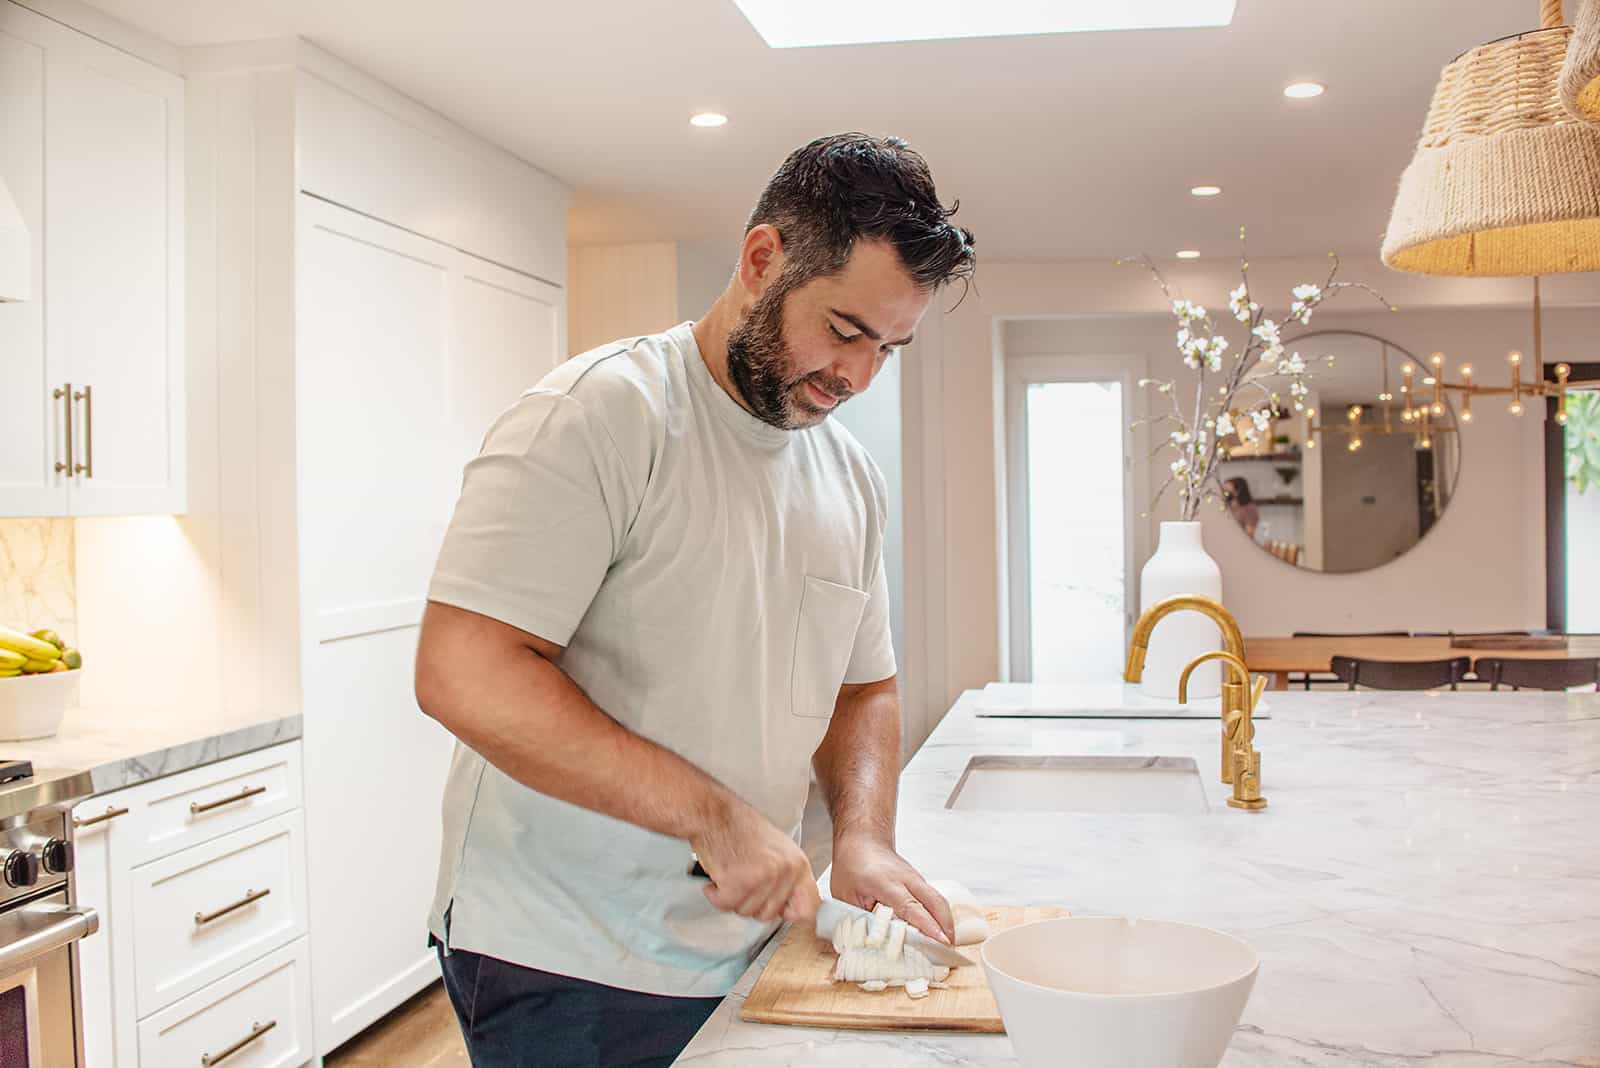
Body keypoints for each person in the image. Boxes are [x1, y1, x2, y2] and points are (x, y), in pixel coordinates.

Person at [413, 132, 976, 1068]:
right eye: (843, 331)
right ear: (763, 260)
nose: (859, 376)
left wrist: (863, 842)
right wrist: (715, 819)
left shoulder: (850, 475)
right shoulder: (601, 415)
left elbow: (861, 687)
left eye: (891, 347)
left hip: (749, 947)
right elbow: (461, 673)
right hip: (563, 958)